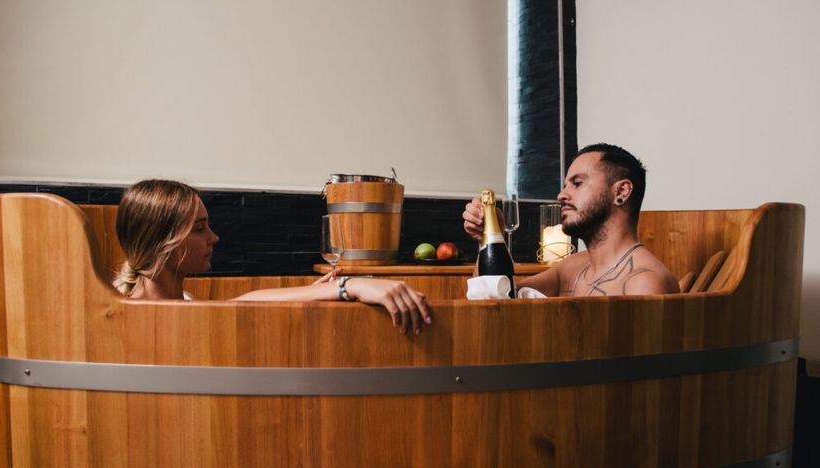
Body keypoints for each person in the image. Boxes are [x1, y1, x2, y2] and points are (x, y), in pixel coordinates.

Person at [113, 179, 432, 334]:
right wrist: (347, 287)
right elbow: (236, 307)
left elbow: (239, 305)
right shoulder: (127, 318)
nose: (214, 237)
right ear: (163, 243)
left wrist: (338, 288)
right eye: (199, 229)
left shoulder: (183, 303)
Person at [463, 143, 679, 296]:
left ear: (621, 192)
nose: (561, 195)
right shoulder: (571, 268)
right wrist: (489, 238)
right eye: (565, 185)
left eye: (577, 183)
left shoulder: (644, 281)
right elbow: (497, 299)